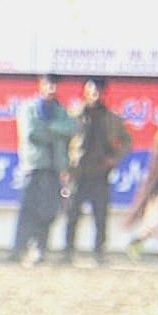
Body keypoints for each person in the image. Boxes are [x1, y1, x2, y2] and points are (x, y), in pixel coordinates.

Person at [61, 77, 131, 263]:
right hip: (78, 172)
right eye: (92, 90)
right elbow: (63, 140)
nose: (95, 94)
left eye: (98, 91)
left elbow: (126, 140)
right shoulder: (73, 115)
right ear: (85, 92)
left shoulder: (112, 117)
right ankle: (68, 251)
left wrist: (114, 158)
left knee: (100, 216)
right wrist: (65, 165)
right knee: (72, 214)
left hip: (100, 172)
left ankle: (99, 253)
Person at [13, 74, 74, 264]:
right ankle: (19, 249)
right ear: (41, 85)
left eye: (54, 85)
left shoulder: (60, 111)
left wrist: (49, 128)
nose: (51, 89)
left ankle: (40, 248)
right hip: (33, 166)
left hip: (53, 168)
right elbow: (32, 133)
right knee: (27, 210)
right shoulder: (29, 108)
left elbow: (71, 129)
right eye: (48, 85)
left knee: (47, 211)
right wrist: (56, 132)